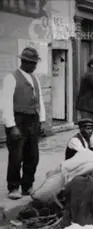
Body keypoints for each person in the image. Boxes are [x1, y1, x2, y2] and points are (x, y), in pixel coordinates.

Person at [0, 47, 46, 200]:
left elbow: (40, 101)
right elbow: (5, 103)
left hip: (32, 119)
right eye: (31, 63)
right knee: (16, 155)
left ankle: (27, 185)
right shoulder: (11, 78)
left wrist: (42, 121)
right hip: (17, 119)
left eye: (35, 63)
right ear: (23, 62)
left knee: (32, 156)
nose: (34, 66)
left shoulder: (35, 78)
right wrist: (11, 126)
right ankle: (14, 187)